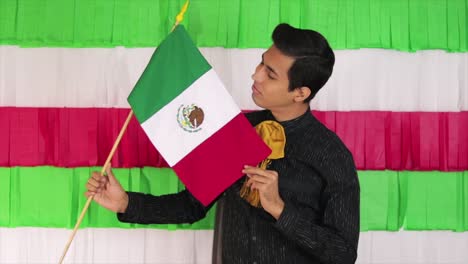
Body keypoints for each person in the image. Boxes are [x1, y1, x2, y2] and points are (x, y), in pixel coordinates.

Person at [86, 23, 360, 264]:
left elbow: (343, 254)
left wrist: (279, 208)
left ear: (300, 93)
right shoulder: (237, 130)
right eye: (261, 63)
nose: (256, 75)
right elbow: (192, 205)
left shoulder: (332, 156)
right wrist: (125, 203)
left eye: (271, 74)